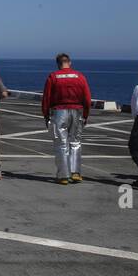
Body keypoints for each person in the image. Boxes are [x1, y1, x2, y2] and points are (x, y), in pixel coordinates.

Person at [41, 53, 92, 184]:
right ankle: (75, 173)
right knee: (75, 142)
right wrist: (85, 115)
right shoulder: (80, 76)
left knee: (61, 144)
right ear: (70, 62)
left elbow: (46, 98)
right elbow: (87, 97)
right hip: (77, 111)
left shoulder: (53, 76)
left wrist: (46, 115)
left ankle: (63, 175)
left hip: (59, 112)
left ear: (58, 64)